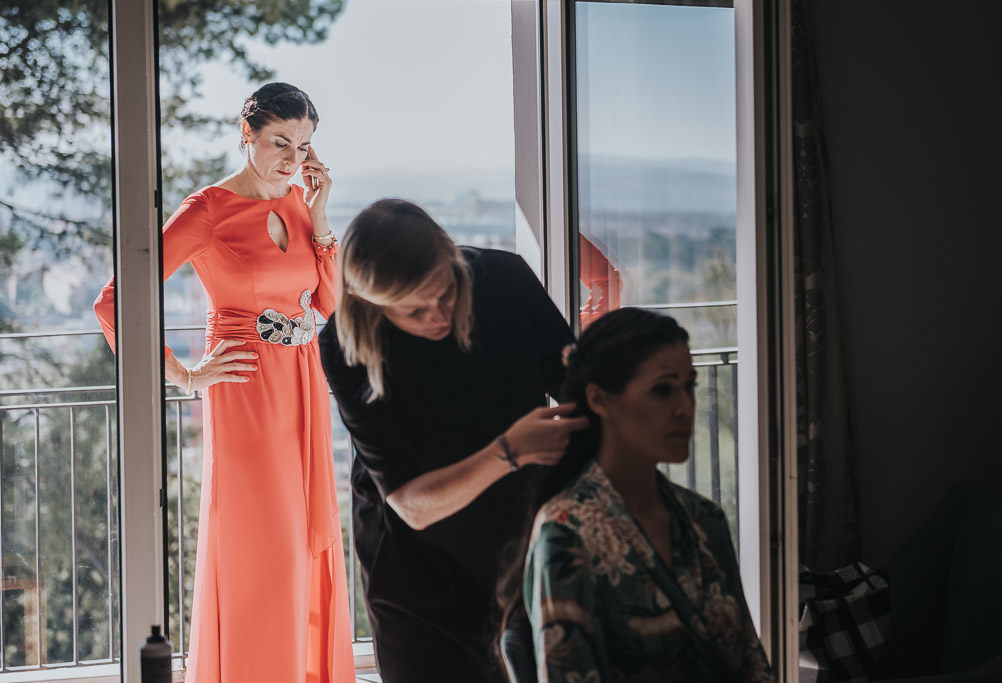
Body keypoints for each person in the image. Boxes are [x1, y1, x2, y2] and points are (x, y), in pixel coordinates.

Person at [94, 82, 355, 683]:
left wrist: (319, 218)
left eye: (305, 145)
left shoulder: (298, 203)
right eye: (280, 142)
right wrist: (183, 373)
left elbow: (327, 303)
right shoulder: (208, 209)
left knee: (303, 540)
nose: (292, 159)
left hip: (303, 386)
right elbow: (114, 302)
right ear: (248, 136)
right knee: (260, 542)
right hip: (244, 390)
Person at [318, 198, 589, 681]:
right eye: (413, 310)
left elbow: (580, 394)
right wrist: (511, 450)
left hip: (517, 535)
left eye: (445, 293)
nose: (437, 316)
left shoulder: (504, 279)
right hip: (413, 562)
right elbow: (410, 504)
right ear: (370, 304)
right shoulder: (345, 342)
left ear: (451, 258)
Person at [497, 308, 773, 682]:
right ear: (600, 400)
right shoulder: (567, 533)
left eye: (689, 386)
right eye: (662, 389)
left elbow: (751, 662)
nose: (685, 407)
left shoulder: (705, 519)